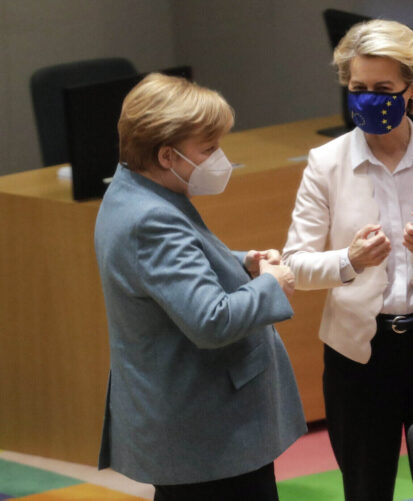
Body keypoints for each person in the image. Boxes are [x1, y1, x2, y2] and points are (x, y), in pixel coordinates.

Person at [282, 19, 413, 501]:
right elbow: (294, 265)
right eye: (358, 89)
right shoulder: (326, 163)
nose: (367, 100)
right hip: (359, 356)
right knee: (366, 489)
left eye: (382, 90)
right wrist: (350, 261)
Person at [94, 73, 306, 501]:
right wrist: (271, 284)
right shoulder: (152, 220)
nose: (219, 159)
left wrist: (242, 262)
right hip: (206, 434)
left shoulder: (131, 191)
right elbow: (212, 320)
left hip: (194, 427)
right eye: (208, 149)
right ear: (167, 155)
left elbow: (171, 270)